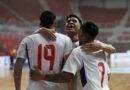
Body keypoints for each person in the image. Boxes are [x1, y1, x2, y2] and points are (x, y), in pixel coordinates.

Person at [31, 21, 110, 90]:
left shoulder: (78, 51)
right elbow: (108, 76)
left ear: (81, 32)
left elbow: (66, 77)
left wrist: (41, 76)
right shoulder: (101, 52)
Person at [14, 11, 73, 90]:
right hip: (58, 87)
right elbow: (68, 70)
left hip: (34, 87)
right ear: (55, 23)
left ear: (40, 24)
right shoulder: (66, 40)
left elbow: (18, 67)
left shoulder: (27, 40)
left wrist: (18, 89)